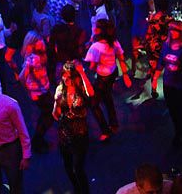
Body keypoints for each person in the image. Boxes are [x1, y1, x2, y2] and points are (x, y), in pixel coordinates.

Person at [85, 19, 132, 141]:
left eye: (96, 27)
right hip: (113, 73)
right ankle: (114, 124)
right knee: (107, 98)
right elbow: (121, 58)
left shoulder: (96, 47)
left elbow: (92, 66)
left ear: (100, 31)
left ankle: (105, 131)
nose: (94, 29)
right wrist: (125, 75)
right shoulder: (114, 42)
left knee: (94, 104)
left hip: (103, 78)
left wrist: (86, 70)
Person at [52, 61, 94, 194]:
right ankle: (77, 188)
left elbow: (91, 93)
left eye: (69, 76)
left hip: (80, 133)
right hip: (65, 134)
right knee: (68, 167)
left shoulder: (81, 88)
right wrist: (56, 102)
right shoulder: (60, 89)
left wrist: (82, 73)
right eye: (64, 75)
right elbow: (55, 115)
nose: (66, 78)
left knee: (78, 168)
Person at [19, 31, 53, 153]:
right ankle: (37, 141)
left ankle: (38, 140)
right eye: (39, 42)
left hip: (43, 89)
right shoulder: (33, 58)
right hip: (38, 92)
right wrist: (29, 91)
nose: (42, 43)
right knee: (48, 115)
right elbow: (21, 77)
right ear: (32, 44)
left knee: (46, 115)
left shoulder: (38, 55)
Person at [131, 0, 156, 69]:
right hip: (136, 23)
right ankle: (133, 69)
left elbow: (153, 11)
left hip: (144, 25)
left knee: (148, 48)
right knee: (134, 47)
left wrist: (149, 21)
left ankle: (151, 69)